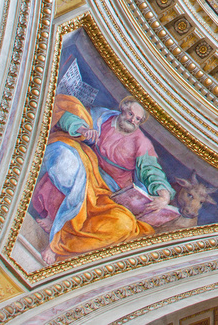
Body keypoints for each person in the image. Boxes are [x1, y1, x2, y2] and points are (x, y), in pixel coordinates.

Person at [31, 93, 175, 266]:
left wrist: (164, 195)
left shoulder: (141, 143)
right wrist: (82, 129)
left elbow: (151, 170)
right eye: (131, 114)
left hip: (107, 192)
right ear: (123, 109)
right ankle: (55, 232)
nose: (133, 121)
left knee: (125, 223)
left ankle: (64, 243)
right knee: (71, 168)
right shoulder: (101, 117)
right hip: (87, 165)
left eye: (138, 119)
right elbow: (69, 116)